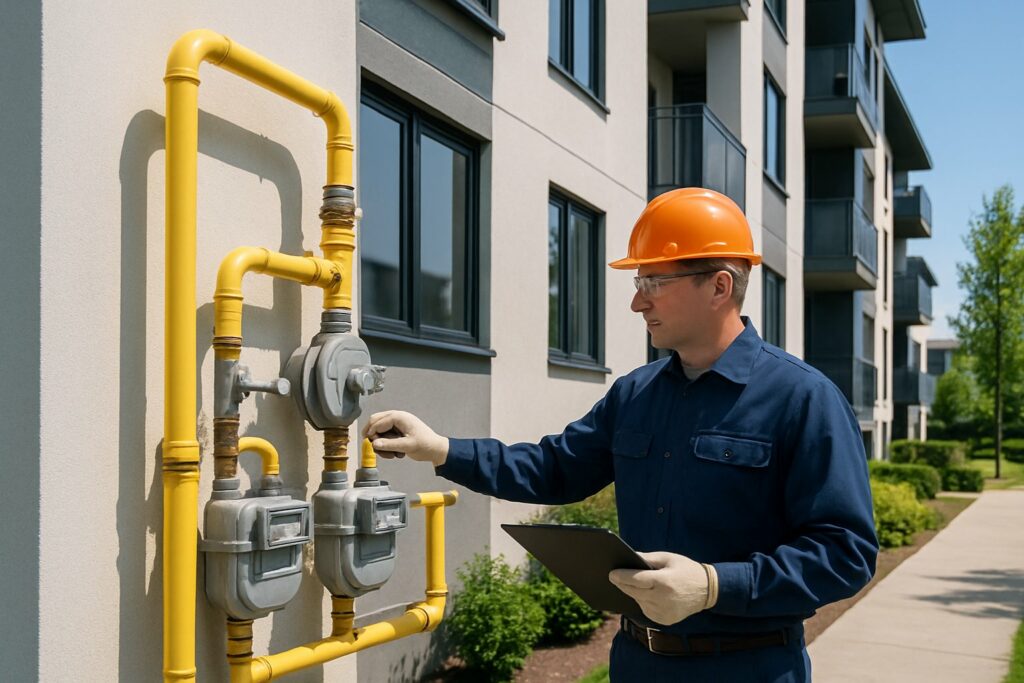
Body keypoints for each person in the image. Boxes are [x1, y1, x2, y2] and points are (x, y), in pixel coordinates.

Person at [364, 188, 878, 682]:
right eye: (639, 283)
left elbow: (845, 553)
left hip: (748, 669)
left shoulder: (803, 399)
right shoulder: (635, 393)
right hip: (637, 663)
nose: (637, 303)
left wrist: (713, 586)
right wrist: (441, 449)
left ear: (720, 287)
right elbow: (554, 468)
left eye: (653, 283)